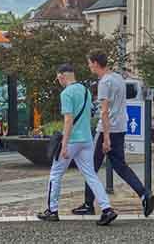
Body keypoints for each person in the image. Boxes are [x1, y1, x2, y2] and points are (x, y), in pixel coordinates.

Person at [71, 51, 154, 218]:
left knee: (90, 166)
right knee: (120, 166)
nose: (89, 66)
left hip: (106, 130)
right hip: (121, 127)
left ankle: (89, 204)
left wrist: (106, 138)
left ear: (95, 63)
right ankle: (144, 193)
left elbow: (104, 112)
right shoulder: (117, 78)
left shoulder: (105, 83)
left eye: (89, 63)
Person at [38, 64, 117, 225]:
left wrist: (64, 144)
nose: (58, 81)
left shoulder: (66, 93)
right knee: (90, 175)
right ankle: (107, 208)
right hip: (87, 139)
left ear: (61, 76)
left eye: (58, 78)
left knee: (56, 174)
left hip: (72, 140)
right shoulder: (85, 91)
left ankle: (52, 210)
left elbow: (68, 120)